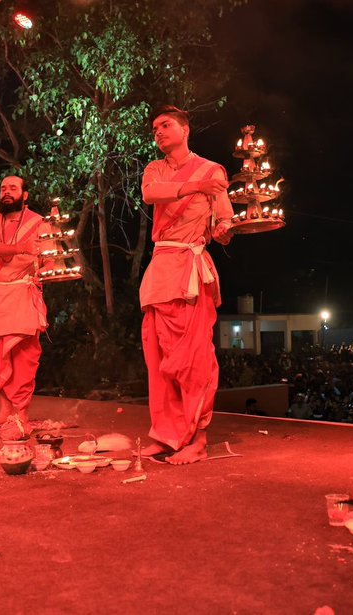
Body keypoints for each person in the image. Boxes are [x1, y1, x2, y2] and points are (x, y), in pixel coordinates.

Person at [139, 105, 234, 465]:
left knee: (193, 359)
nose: (158, 132)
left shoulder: (213, 170)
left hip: (191, 270)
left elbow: (222, 223)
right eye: (154, 128)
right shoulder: (155, 170)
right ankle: (167, 435)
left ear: (185, 129)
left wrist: (224, 231)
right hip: (160, 267)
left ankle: (198, 439)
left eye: (165, 126)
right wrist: (196, 187)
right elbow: (151, 194)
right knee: (158, 358)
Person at [0, 176, 49, 430]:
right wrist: (22, 248)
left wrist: (43, 269)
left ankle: (21, 413)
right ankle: (5, 411)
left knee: (23, 354)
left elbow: (49, 258)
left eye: (13, 188)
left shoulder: (39, 222)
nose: (6, 192)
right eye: (3, 188)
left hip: (23, 292)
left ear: (24, 194)